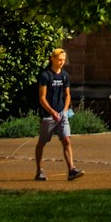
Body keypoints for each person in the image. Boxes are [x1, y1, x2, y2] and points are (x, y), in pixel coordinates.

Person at [34, 48, 83, 182]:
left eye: (63, 60)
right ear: (53, 59)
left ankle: (71, 169)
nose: (62, 62)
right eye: (59, 59)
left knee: (66, 140)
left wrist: (65, 110)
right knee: (42, 142)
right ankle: (39, 170)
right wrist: (52, 112)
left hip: (62, 113)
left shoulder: (65, 75)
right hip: (48, 115)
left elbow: (67, 95)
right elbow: (42, 98)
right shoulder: (45, 75)